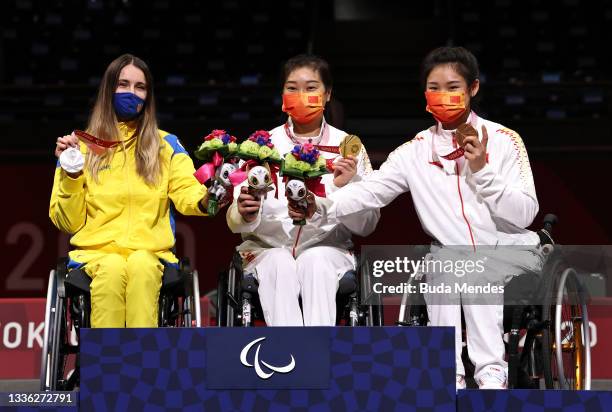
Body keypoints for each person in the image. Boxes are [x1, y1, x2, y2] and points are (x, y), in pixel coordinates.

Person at [326, 47, 543, 389]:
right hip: (451, 257)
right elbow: (371, 191)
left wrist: (483, 171)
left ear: (473, 88)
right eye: (434, 87)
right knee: (445, 264)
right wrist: (320, 201)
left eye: (453, 86)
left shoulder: (504, 141)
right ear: (425, 94)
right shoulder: (414, 151)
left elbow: (526, 213)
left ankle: (490, 371)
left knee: (471, 267)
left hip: (509, 250)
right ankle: (450, 372)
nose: (443, 95)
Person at [50, 54, 209, 328]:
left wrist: (211, 197)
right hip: (95, 256)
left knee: (140, 265)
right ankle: (108, 366)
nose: (131, 93)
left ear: (148, 96)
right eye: (123, 84)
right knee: (111, 268)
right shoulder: (80, 148)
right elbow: (67, 222)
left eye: (140, 87)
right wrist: (71, 175)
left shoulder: (166, 145)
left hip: (150, 254)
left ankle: (141, 366)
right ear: (108, 89)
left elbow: (188, 194)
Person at [226, 54, 380, 326]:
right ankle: (291, 356)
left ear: (328, 94)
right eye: (292, 88)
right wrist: (245, 214)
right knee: (280, 263)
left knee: (316, 262)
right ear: (282, 93)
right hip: (266, 249)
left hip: (329, 249)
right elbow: (235, 219)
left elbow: (367, 223)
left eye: (311, 88)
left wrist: (347, 187)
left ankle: (316, 356)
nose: (301, 95)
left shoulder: (349, 148)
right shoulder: (261, 144)